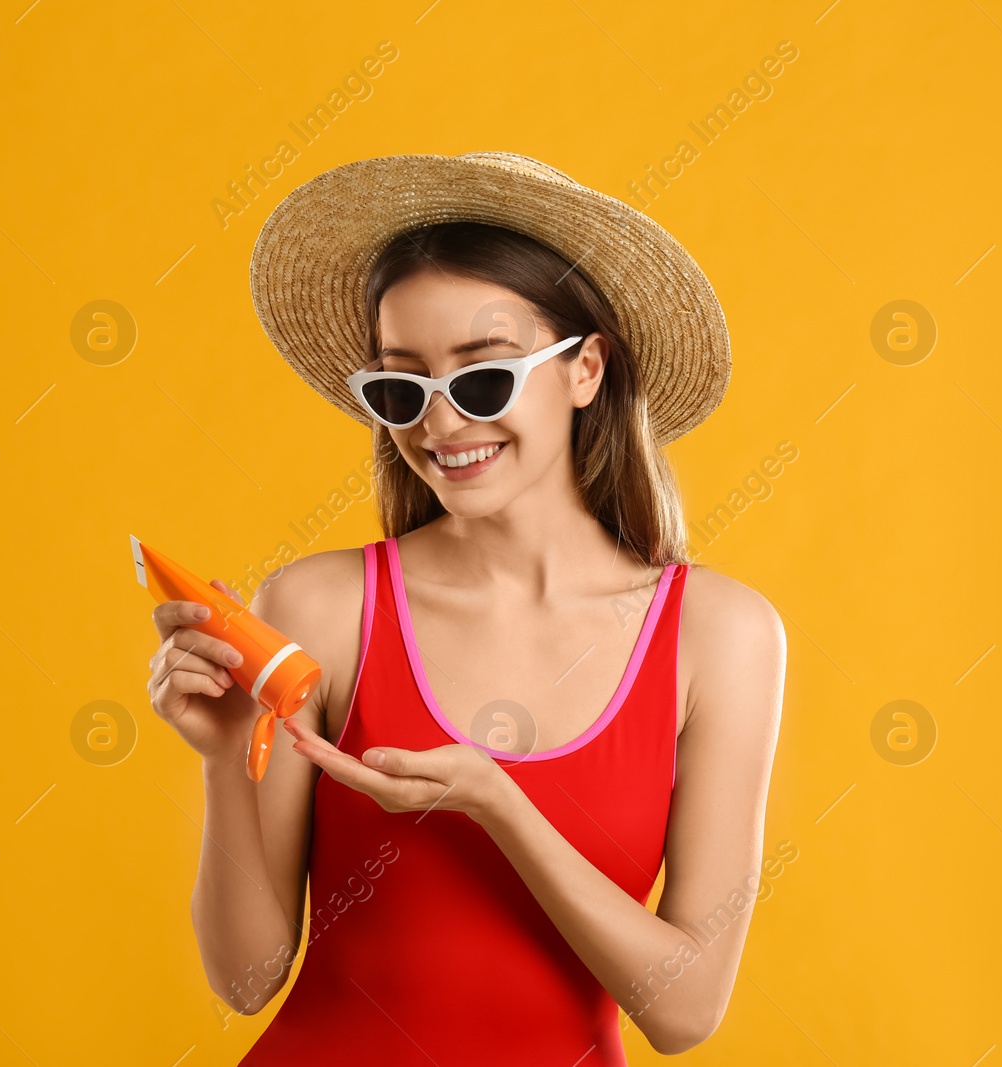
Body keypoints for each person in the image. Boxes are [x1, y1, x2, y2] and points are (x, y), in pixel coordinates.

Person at [145, 152, 786, 1064]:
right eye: (403, 389)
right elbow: (246, 980)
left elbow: (682, 1011)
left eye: (483, 379)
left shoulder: (721, 636)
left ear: (586, 369)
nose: (440, 427)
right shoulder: (320, 604)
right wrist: (221, 758)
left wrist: (499, 804)